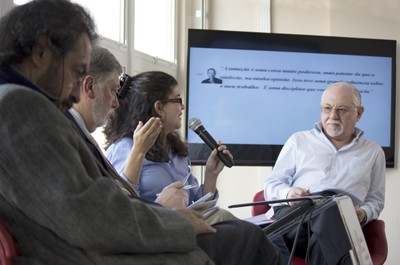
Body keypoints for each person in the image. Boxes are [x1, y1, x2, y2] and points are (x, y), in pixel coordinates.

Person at [0, 1, 281, 264]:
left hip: (101, 247)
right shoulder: (19, 105)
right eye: (76, 71)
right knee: (248, 239)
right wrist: (178, 223)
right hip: (100, 255)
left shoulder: (22, 105)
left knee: (240, 233)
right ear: (39, 54)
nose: (76, 92)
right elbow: (90, 217)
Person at [264, 82, 385, 265]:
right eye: (327, 108)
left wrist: (362, 213)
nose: (332, 116)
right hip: (295, 219)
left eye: (342, 109)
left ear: (358, 113)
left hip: (343, 221)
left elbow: (375, 200)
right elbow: (271, 185)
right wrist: (289, 194)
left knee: (331, 211)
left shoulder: (374, 152)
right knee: (330, 208)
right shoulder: (299, 141)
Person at [65, 46, 190, 209]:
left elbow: (114, 201)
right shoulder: (69, 141)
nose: (116, 103)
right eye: (112, 90)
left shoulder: (81, 138)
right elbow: (105, 215)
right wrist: (161, 208)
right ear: (89, 86)